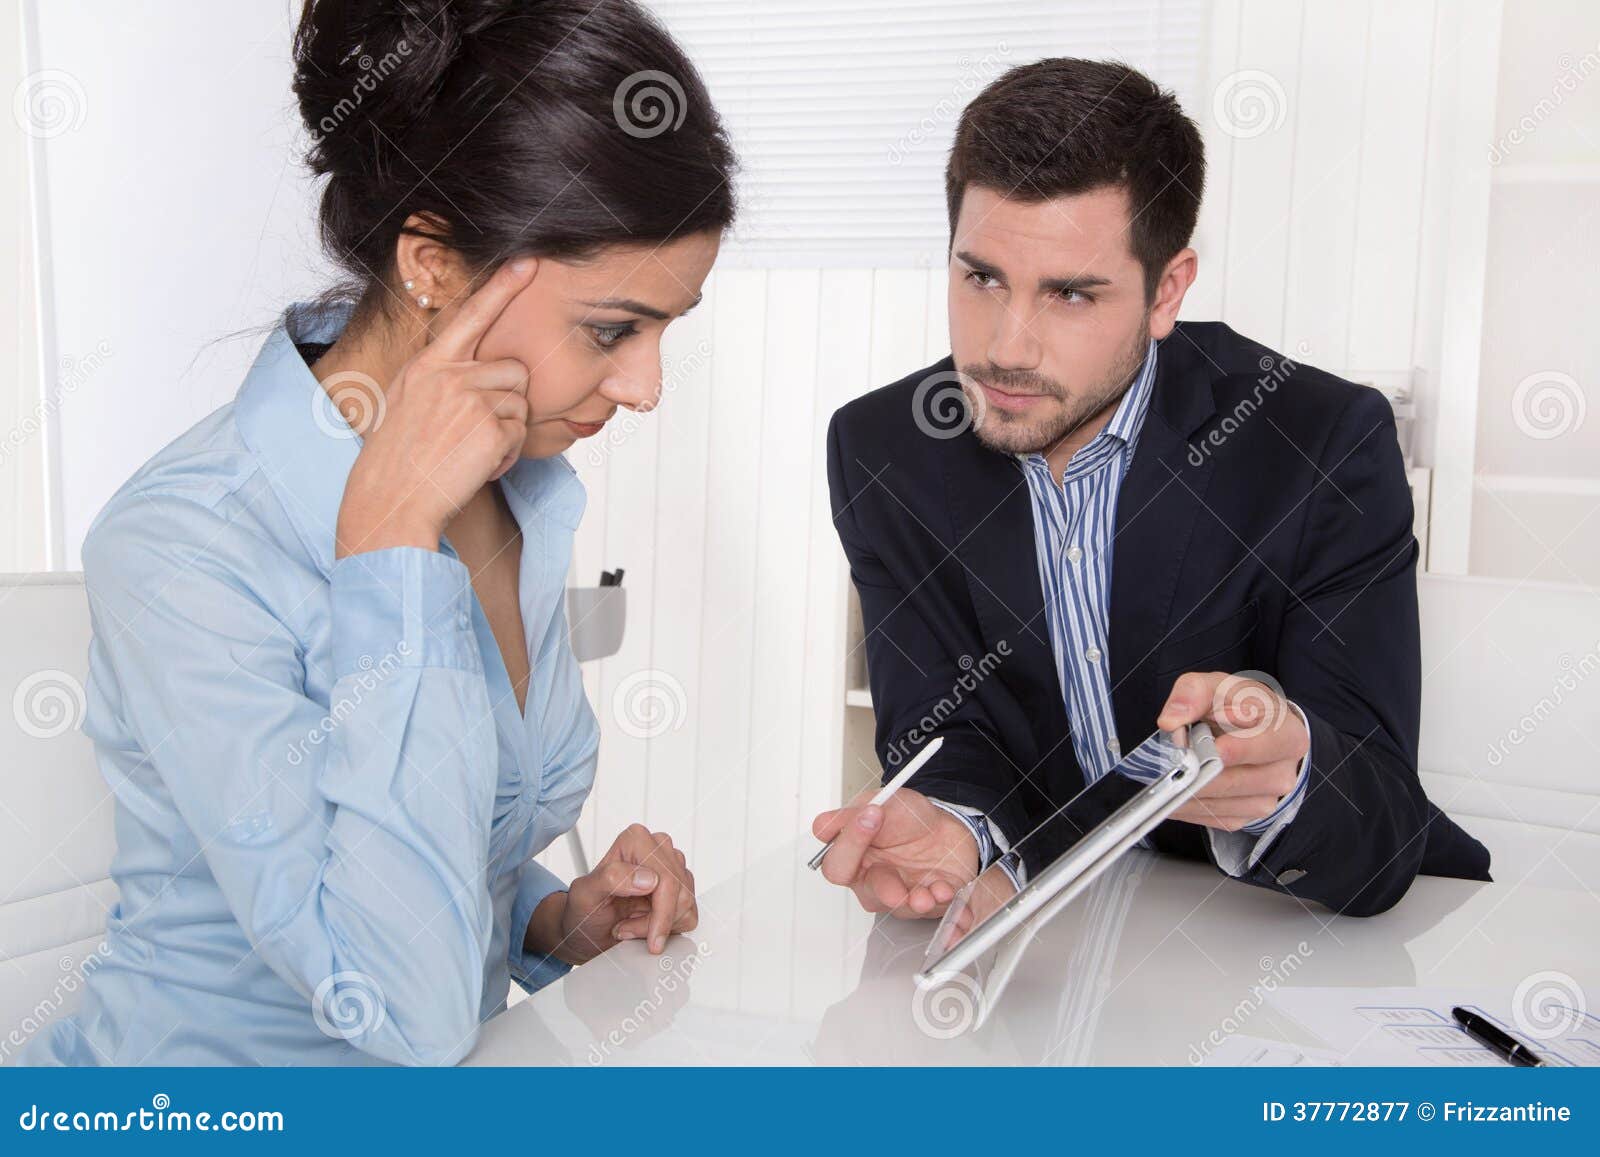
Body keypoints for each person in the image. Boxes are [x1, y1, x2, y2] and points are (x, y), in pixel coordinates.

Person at [19, 0, 733, 1066]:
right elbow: (402, 1007)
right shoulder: (184, 545)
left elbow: (419, 845)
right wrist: (390, 539)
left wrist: (556, 922)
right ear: (435, 263)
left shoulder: (521, 490)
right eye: (612, 330)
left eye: (666, 329)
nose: (645, 386)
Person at [812, 58, 1490, 922]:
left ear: (1166, 291)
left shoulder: (1318, 442)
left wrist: (1283, 776)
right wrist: (956, 824)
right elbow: (948, 741)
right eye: (981, 277)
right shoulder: (885, 450)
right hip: (1056, 943)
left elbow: (1380, 817)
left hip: (1287, 944)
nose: (1007, 348)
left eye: (1069, 293)